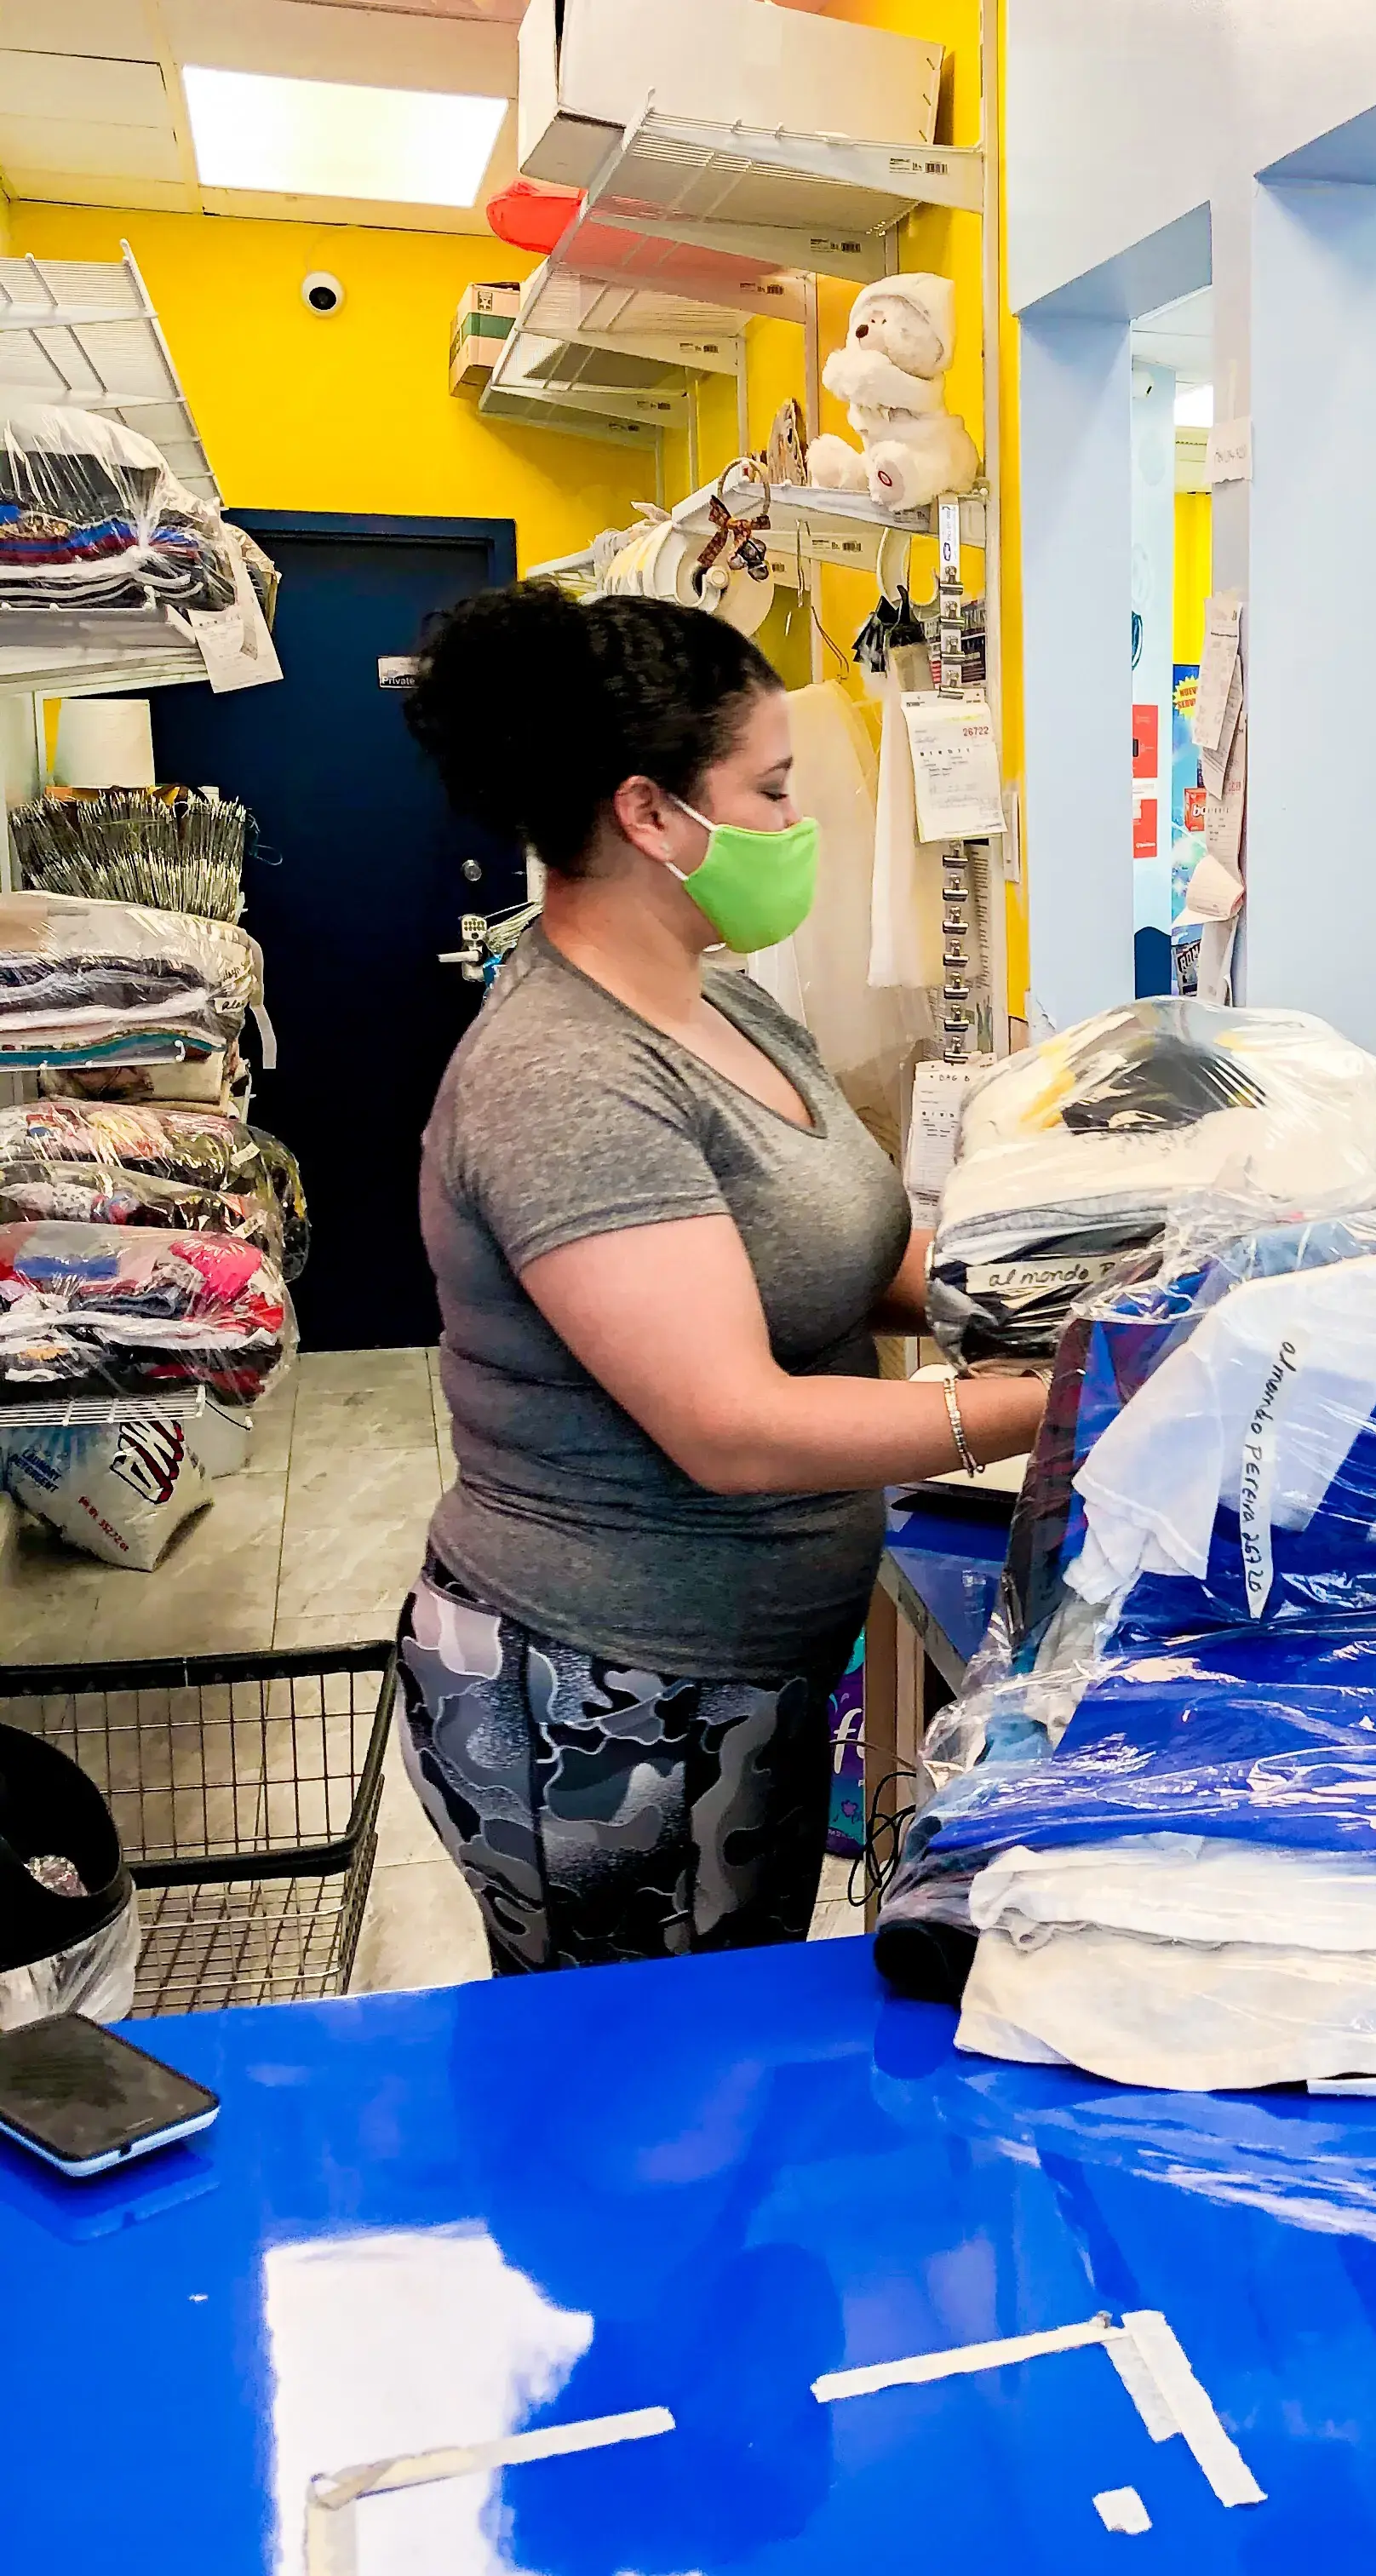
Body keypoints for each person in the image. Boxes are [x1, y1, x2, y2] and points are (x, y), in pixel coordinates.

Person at [397, 585, 1047, 1974]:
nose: (795, 823)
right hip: (603, 1697)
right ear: (648, 813)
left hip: (742, 1667)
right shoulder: (566, 1079)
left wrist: (1052, 1295)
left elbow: (847, 1248)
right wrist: (1049, 1401)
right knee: (636, 2080)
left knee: (724, 2050)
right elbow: (731, 1426)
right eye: (769, 789)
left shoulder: (717, 997)